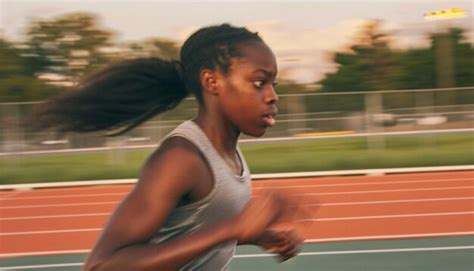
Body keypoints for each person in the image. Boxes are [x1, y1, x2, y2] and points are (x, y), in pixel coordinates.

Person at [34, 23, 304, 270]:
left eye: (273, 84)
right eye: (259, 83)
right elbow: (102, 266)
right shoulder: (182, 158)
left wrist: (257, 235)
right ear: (212, 82)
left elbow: (192, 231)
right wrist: (232, 229)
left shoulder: (227, 154)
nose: (272, 96)